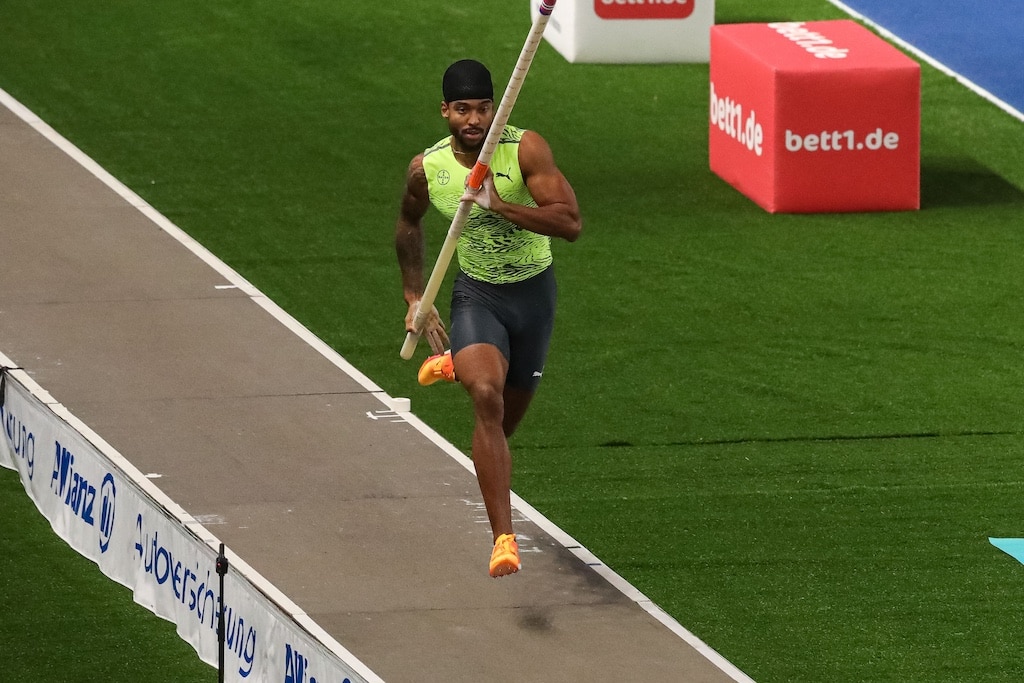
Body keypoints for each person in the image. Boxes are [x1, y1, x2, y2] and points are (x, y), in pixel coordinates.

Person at [394, 59, 581, 578]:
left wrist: (498, 205)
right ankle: (504, 538)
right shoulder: (427, 169)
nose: (473, 120)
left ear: (495, 108)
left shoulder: (524, 149)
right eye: (462, 110)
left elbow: (569, 223)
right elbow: (408, 224)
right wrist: (415, 295)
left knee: (505, 423)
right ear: (445, 112)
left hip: (533, 298)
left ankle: (457, 362)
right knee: (485, 397)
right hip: (478, 295)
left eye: (482, 108)